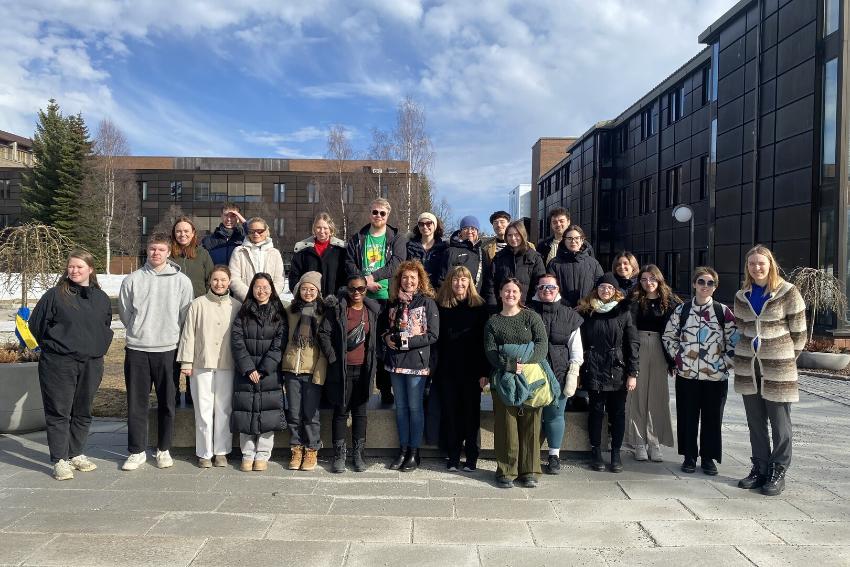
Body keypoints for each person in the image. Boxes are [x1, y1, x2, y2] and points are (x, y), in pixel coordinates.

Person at [29, 250, 114, 481]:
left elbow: (104, 324)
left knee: (83, 410)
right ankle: (59, 459)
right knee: (59, 411)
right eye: (71, 267)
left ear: (90, 269)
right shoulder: (55, 295)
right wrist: (55, 345)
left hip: (91, 363)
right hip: (59, 363)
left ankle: (76, 453)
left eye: (79, 267)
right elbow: (36, 325)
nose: (74, 270)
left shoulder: (101, 298)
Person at [733, 245, 806, 496]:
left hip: (778, 368)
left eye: (761, 263)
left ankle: (778, 470)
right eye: (752, 264)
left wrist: (784, 358)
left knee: (780, 423)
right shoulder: (742, 296)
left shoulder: (788, 292)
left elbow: (799, 334)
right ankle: (760, 468)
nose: (757, 267)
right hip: (748, 367)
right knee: (755, 422)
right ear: (748, 268)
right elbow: (741, 329)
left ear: (770, 264)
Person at [119, 233, 194, 471]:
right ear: (147, 251)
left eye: (161, 250)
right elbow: (125, 313)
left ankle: (163, 449)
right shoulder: (132, 280)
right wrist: (139, 330)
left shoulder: (182, 281)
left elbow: (185, 316)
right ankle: (136, 451)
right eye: (152, 249)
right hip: (138, 349)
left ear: (169, 252)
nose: (156, 254)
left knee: (167, 403)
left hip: (167, 350)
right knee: (136, 403)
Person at [662, 267, 738, 476]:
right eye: (701, 282)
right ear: (694, 284)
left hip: (715, 377)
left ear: (715, 287)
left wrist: (724, 363)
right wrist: (679, 359)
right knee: (687, 416)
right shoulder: (682, 311)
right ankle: (689, 456)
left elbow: (735, 340)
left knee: (712, 418)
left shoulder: (723, 312)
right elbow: (669, 336)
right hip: (687, 376)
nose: (705, 286)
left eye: (710, 283)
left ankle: (708, 458)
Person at [484, 278, 549, 488]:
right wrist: (509, 364)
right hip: (503, 378)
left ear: (520, 295)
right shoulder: (493, 322)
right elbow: (491, 351)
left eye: (515, 291)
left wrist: (524, 363)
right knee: (506, 424)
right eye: (506, 291)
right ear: (501, 294)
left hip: (531, 376)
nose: (510, 294)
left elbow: (541, 344)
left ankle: (529, 470)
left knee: (531, 423)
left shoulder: (531, 317)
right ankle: (506, 470)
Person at [176, 266, 241, 468]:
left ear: (229, 282)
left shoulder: (236, 306)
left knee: (223, 408)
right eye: (215, 280)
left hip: (227, 364)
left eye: (223, 280)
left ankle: (221, 451)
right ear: (209, 281)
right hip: (201, 363)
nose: (219, 284)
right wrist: (186, 362)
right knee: (203, 409)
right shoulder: (198, 304)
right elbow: (188, 335)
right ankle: (204, 452)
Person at [345, 198, 408, 405]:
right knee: (364, 343)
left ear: (387, 215)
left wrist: (373, 277)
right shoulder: (358, 238)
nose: (378, 216)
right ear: (369, 213)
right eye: (375, 212)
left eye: (382, 213)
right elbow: (349, 262)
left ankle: (384, 388)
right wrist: (364, 283)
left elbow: (397, 263)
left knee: (385, 344)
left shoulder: (396, 237)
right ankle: (362, 388)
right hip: (363, 299)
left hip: (387, 299)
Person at [318, 274, 381, 473]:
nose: (356, 293)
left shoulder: (371, 310)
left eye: (361, 289)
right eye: (353, 289)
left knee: (361, 413)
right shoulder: (337, 309)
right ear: (347, 288)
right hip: (342, 369)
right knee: (341, 411)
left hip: (364, 368)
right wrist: (333, 358)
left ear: (366, 289)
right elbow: (324, 333)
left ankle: (358, 454)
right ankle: (339, 455)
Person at [577, 272, 639, 473]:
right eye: (602, 287)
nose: (606, 290)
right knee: (595, 411)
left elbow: (632, 343)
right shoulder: (587, 312)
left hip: (617, 369)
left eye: (610, 288)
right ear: (597, 289)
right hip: (593, 367)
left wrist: (632, 372)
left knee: (618, 413)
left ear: (615, 292)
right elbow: (581, 343)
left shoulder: (623, 312)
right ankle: (596, 451)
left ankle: (615, 452)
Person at [382, 260, 439, 472]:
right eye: (405, 277)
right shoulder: (393, 302)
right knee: (401, 408)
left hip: (417, 363)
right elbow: (384, 328)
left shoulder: (427, 303)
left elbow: (433, 334)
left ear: (419, 280)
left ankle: (414, 452)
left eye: (413, 278)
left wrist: (406, 342)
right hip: (395, 363)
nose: (408, 281)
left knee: (415, 409)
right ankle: (403, 449)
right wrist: (387, 338)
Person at [230, 272, 288, 472]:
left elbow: (280, 344)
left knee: (267, 412)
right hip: (245, 372)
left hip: (269, 372)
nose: (261, 291)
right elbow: (237, 342)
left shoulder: (279, 313)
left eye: (265, 287)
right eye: (257, 287)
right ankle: (247, 452)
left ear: (271, 289)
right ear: (251, 289)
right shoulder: (243, 311)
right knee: (246, 411)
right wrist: (248, 368)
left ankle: (263, 453)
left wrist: (264, 369)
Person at [435, 265, 489, 472]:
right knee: (451, 413)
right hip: (447, 369)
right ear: (450, 282)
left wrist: (485, 372)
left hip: (472, 370)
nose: (459, 283)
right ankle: (453, 455)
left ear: (470, 283)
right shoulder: (441, 306)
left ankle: (472, 456)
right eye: (456, 280)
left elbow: (485, 342)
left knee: (471, 414)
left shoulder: (479, 306)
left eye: (464, 280)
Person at [530, 273, 583, 474]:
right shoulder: (527, 311)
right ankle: (530, 453)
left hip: (559, 372)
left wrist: (573, 372)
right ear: (537, 289)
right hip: (533, 373)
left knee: (555, 415)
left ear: (558, 289)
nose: (547, 291)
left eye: (551, 287)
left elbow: (575, 348)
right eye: (543, 287)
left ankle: (554, 455)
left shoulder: (569, 315)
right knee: (532, 415)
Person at [625, 264, 678, 462]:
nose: (649, 283)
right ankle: (638, 442)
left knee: (658, 397)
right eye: (644, 279)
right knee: (637, 397)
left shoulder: (669, 302)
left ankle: (654, 442)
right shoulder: (634, 300)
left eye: (652, 279)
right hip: (638, 345)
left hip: (659, 348)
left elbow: (675, 331)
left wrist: (673, 360)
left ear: (659, 280)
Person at [282, 271, 329, 472]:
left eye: (312, 289)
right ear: (297, 290)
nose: (308, 292)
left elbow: (325, 348)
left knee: (310, 413)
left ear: (318, 292)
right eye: (304, 288)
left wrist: (319, 372)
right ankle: (296, 447)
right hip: (291, 369)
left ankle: (312, 448)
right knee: (293, 412)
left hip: (312, 370)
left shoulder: (323, 313)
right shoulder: (290, 310)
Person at [171, 216, 215, 408]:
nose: (183, 234)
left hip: (197, 314)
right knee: (172, 357)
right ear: (174, 233)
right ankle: (172, 396)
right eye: (179, 231)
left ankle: (192, 395)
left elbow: (210, 282)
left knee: (194, 356)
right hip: (172, 315)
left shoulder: (202, 254)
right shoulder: (168, 256)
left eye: (186, 231)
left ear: (193, 233)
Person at [485, 220, 545, 308]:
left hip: (526, 309)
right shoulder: (499, 257)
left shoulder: (535, 257)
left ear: (522, 235)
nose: (513, 238)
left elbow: (539, 284)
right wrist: (493, 307)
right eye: (510, 235)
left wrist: (531, 307)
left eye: (517, 234)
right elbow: (490, 284)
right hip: (502, 309)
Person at [289, 212, 347, 299]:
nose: (322, 231)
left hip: (334, 301)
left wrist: (341, 295)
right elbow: (294, 276)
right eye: (318, 227)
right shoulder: (303, 250)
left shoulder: (341, 250)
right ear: (314, 229)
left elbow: (346, 275)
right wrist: (301, 295)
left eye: (325, 228)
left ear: (330, 229)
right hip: (309, 301)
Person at [228, 217, 285, 302]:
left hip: (269, 303)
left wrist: (267, 297)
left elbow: (279, 280)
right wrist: (250, 296)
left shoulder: (275, 253)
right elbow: (234, 278)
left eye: (259, 231)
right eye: (252, 231)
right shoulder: (239, 251)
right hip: (244, 303)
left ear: (266, 231)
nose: (256, 234)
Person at [548, 224, 603, 308]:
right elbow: (551, 288)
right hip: (562, 312)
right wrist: (566, 306)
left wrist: (586, 304)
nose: (573, 241)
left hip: (588, 311)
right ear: (564, 241)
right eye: (569, 238)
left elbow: (600, 287)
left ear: (582, 240)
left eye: (577, 238)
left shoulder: (593, 264)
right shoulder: (554, 264)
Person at [442, 215, 486, 293]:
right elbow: (442, 278)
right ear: (460, 232)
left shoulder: (482, 253)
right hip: (453, 298)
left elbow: (486, 279)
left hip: (475, 300)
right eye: (465, 228)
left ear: (477, 232)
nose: (469, 231)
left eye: (473, 228)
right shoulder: (450, 251)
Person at [406, 212, 448, 290]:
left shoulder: (443, 248)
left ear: (435, 226)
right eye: (421, 224)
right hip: (414, 290)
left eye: (429, 223)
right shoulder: (409, 246)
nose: (425, 227)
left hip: (436, 291)